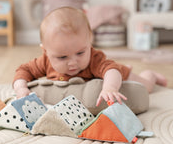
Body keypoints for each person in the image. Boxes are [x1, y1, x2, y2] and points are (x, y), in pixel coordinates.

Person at [13, 7, 167, 106]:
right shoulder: (44, 61)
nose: (73, 62)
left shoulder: (94, 59)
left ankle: (151, 75)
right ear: (45, 51)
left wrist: (110, 88)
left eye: (80, 53)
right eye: (62, 57)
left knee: (146, 87)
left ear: (89, 41)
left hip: (115, 74)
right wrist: (21, 88)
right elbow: (23, 71)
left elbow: (111, 71)